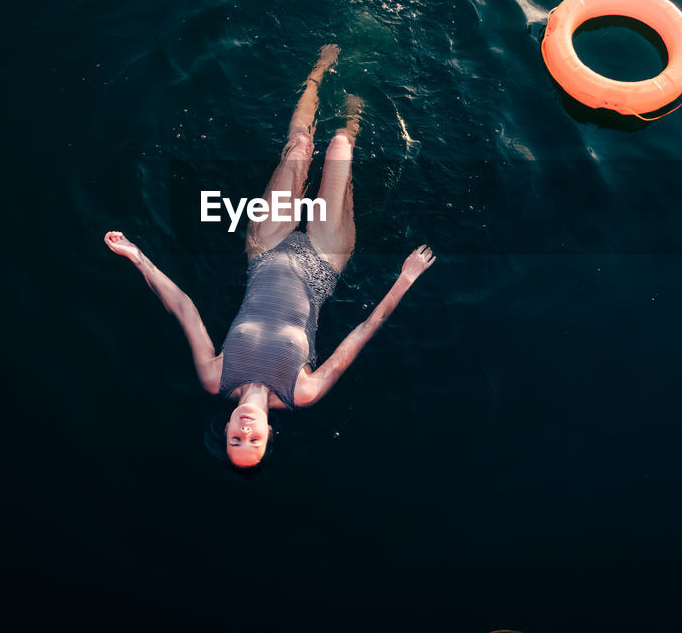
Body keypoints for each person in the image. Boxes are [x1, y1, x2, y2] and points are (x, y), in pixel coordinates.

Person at [104, 43, 436, 467]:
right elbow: (360, 334)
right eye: (253, 442)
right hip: (323, 259)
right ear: (268, 435)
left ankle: (320, 68)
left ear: (223, 430)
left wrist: (138, 258)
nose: (244, 433)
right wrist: (405, 279)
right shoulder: (302, 392)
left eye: (235, 441)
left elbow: (185, 309)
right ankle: (359, 94)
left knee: (299, 147)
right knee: (339, 148)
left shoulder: (214, 378)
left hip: (265, 250)